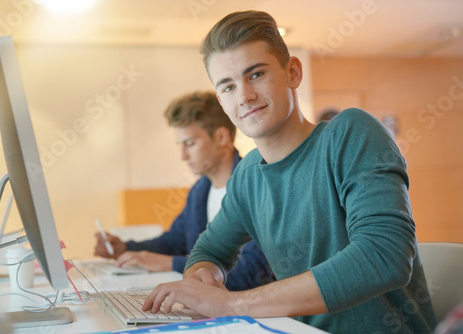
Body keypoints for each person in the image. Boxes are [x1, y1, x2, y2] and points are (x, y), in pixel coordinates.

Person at [141, 10, 437, 334]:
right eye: (227, 87)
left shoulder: (350, 134)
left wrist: (232, 305)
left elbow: (384, 256)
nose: (244, 96)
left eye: (255, 74)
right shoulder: (248, 175)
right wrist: (203, 278)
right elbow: (209, 251)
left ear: (293, 72)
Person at [94, 91, 274, 291]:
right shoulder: (199, 191)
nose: (183, 156)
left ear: (221, 137)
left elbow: (250, 273)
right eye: (180, 145)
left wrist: (170, 264)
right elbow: (175, 240)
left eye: (190, 144)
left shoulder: (257, 186)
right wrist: (125, 248)